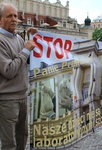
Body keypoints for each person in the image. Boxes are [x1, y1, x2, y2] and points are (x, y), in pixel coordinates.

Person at [0, 2, 37, 150]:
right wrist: (26, 50)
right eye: (9, 16)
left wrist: (30, 37)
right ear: (0, 20)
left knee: (23, 136)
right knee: (9, 143)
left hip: (23, 96)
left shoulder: (18, 38)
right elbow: (8, 70)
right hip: (7, 101)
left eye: (15, 15)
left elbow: (25, 61)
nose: (14, 19)